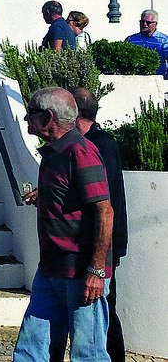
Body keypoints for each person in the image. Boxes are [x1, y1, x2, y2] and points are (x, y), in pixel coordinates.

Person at [14, 87, 113, 361]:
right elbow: (71, 195)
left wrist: (96, 271)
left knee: (87, 354)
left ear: (47, 117)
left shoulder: (80, 152)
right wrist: (44, 194)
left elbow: (104, 212)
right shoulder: (55, 152)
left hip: (81, 273)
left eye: (30, 113)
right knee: (31, 348)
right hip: (50, 270)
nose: (25, 119)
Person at [63, 88, 128, 362]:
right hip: (99, 239)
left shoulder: (98, 145)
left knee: (104, 310)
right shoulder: (93, 142)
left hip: (105, 240)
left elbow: (103, 199)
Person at [125, 9, 168, 78]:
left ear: (155, 24)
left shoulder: (164, 40)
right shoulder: (131, 39)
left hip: (157, 78)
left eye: (148, 22)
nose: (144, 24)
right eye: (142, 21)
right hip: (135, 78)